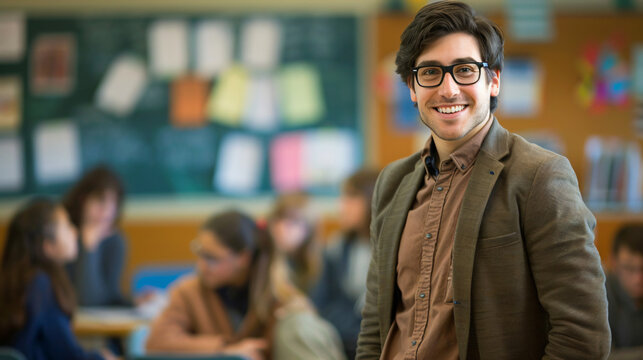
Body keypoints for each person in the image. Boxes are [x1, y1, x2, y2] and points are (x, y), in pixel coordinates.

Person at [356, 2, 611, 359]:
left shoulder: (538, 176)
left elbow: (583, 333)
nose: (448, 89)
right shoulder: (392, 183)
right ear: (412, 89)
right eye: (430, 72)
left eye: (464, 70)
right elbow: (375, 325)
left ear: (493, 80)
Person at [145, 210, 345, 360]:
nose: (201, 265)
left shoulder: (280, 296)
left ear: (243, 258)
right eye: (199, 253)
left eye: (212, 258)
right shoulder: (188, 291)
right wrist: (225, 350)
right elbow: (157, 342)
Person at [0, 198, 118, 360]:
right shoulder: (41, 285)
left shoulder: (18, 280)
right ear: (47, 245)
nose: (75, 231)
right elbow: (67, 356)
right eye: (67, 225)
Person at [312, 168, 379, 360]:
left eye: (351, 198)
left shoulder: (396, 247)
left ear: (373, 198)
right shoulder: (337, 248)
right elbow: (320, 302)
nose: (341, 206)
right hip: (343, 342)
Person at [63, 165, 129, 307]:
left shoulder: (115, 241)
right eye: (100, 200)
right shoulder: (63, 237)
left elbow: (109, 296)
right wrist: (89, 249)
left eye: (114, 202)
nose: (107, 210)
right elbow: (86, 300)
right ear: (82, 200)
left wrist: (133, 302)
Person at [267, 192, 321, 294]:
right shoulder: (263, 259)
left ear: (309, 228)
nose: (282, 227)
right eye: (279, 218)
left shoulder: (324, 263)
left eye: (293, 221)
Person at [606, 225, 643, 359]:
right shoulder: (599, 297)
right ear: (613, 263)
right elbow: (601, 357)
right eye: (629, 268)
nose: (638, 278)